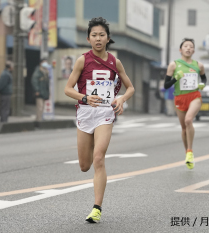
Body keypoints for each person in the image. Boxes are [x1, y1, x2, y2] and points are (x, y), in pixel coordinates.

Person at [64, 17, 135, 223]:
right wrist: (84, 97)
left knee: (99, 158)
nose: (98, 38)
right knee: (85, 165)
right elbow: (68, 89)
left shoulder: (115, 62)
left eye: (101, 35)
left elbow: (130, 87)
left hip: (105, 113)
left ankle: (97, 208)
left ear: (108, 38)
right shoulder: (82, 60)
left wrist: (121, 98)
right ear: (88, 38)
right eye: (94, 35)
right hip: (85, 113)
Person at [164, 38, 207, 170]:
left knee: (189, 120)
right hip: (180, 97)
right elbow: (166, 85)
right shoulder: (174, 65)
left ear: (193, 50)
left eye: (191, 46)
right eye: (186, 46)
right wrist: (176, 78)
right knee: (183, 128)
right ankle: (187, 153)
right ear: (180, 49)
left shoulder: (199, 65)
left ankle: (190, 150)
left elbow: (204, 79)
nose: (188, 48)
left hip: (194, 96)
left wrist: (202, 85)